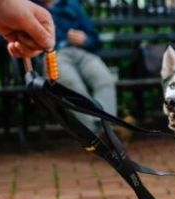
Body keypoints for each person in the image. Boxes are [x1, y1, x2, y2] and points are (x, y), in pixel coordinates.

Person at [43, 0, 119, 131]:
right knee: (71, 85)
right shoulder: (31, 6)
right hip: (54, 54)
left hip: (83, 52)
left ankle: (106, 128)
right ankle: (96, 131)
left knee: (105, 80)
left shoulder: (71, 4)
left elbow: (95, 39)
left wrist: (86, 39)